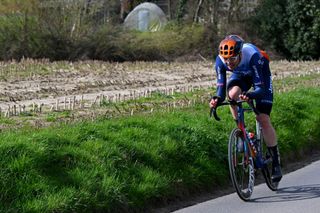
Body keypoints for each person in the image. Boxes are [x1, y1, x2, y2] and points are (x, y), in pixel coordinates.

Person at [209, 35, 282, 182]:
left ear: (240, 53)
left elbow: (260, 89)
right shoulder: (221, 61)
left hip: (261, 76)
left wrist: (251, 95)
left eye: (232, 59)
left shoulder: (253, 56)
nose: (229, 63)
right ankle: (242, 132)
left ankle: (275, 161)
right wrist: (216, 100)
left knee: (262, 118)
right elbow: (221, 89)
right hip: (242, 75)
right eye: (226, 59)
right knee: (232, 94)